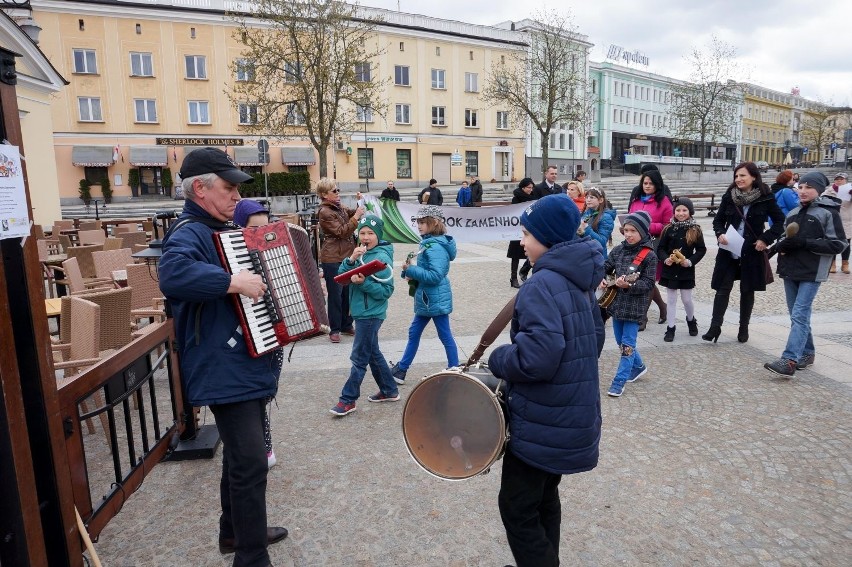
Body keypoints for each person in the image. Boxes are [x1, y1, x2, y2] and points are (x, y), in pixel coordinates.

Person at [158, 147, 287, 566]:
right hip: (223, 365)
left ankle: (236, 531)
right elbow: (173, 274)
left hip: (243, 361)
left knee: (239, 455)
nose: (236, 197)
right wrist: (233, 280)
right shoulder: (189, 232)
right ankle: (251, 556)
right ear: (200, 188)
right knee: (251, 461)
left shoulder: (221, 230)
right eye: (228, 187)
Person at [488, 194, 604, 567]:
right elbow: (594, 340)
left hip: (542, 422)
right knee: (544, 499)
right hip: (568, 417)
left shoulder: (542, 283)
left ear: (548, 236)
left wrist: (498, 358)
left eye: (527, 233)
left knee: (517, 508)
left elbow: (537, 358)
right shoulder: (580, 276)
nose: (522, 241)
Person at [764, 172, 847, 376]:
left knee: (800, 314)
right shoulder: (792, 212)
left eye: (808, 187)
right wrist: (775, 248)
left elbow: (838, 244)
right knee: (796, 315)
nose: (802, 191)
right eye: (800, 187)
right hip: (790, 269)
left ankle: (790, 359)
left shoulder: (829, 213)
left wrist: (805, 243)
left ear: (818, 189)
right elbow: (786, 237)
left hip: (812, 270)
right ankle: (807, 353)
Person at [703, 162, 784, 343]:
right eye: (736, 176)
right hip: (729, 250)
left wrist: (765, 239)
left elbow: (780, 221)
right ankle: (714, 327)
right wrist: (719, 233)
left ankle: (743, 328)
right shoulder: (729, 196)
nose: (738, 179)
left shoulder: (765, 197)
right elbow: (718, 220)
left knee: (747, 290)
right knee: (722, 289)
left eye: (743, 176)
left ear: (753, 177)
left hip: (751, 251)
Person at [330, 215, 399, 415]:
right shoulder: (361, 253)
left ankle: (348, 399)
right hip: (361, 311)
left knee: (359, 357)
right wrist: (351, 258)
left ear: (378, 235)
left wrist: (363, 283)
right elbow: (342, 276)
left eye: (370, 233)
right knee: (372, 352)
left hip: (371, 314)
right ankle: (389, 389)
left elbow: (386, 292)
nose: (366, 237)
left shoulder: (381, 258)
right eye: (362, 233)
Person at [233, 199, 280, 469]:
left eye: (265, 228)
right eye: (253, 229)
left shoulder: (273, 249)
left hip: (273, 331)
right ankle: (262, 446)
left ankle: (263, 443)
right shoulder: (231, 254)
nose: (259, 235)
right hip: (249, 331)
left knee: (268, 391)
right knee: (256, 396)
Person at [390, 205, 459, 383]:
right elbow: (425, 270)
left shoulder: (435, 247)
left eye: (423, 222)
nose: (419, 226)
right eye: (418, 222)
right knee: (416, 332)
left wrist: (412, 270)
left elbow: (435, 276)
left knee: (444, 334)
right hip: (428, 297)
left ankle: (455, 368)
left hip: (434, 297)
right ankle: (402, 369)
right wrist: (408, 271)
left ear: (434, 223)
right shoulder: (428, 242)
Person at [600, 211, 657, 397]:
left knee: (627, 345)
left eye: (633, 230)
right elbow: (605, 267)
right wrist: (601, 278)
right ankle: (638, 366)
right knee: (620, 341)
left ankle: (619, 381)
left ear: (642, 231)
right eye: (626, 230)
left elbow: (648, 284)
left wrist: (629, 285)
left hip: (635, 306)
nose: (628, 234)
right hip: (616, 304)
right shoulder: (618, 250)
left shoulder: (649, 256)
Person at [317, 178, 364, 343]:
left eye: (338, 190)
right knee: (335, 294)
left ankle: (346, 324)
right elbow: (341, 231)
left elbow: (351, 213)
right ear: (324, 195)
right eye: (334, 191)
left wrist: (360, 203)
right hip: (332, 257)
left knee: (347, 292)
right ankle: (334, 329)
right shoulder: (325, 211)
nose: (338, 193)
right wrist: (356, 217)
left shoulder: (337, 206)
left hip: (346, 256)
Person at [655, 197, 707, 342]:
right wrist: (666, 259)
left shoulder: (695, 229)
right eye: (678, 210)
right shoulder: (668, 228)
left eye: (684, 210)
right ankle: (671, 328)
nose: (681, 213)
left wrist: (690, 262)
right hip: (670, 269)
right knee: (671, 299)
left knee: (686, 299)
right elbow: (661, 248)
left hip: (686, 270)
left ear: (690, 211)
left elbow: (701, 250)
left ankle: (691, 320)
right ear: (674, 211)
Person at [627, 168, 673, 330]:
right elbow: (630, 217)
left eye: (651, 183)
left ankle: (642, 317)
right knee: (644, 280)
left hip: (653, 246)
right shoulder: (636, 200)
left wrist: (648, 227)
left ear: (657, 185)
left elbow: (669, 225)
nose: (647, 186)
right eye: (645, 183)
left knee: (648, 280)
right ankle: (662, 306)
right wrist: (627, 228)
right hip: (635, 246)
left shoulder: (664, 201)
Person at [507, 178, 536, 288]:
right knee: (515, 255)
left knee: (532, 252)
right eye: (529, 187)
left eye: (532, 187)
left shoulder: (534, 198)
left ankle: (528, 274)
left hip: (529, 229)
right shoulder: (516, 198)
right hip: (517, 230)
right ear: (523, 187)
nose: (530, 190)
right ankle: (513, 278)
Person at [577, 187, 616, 259]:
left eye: (592, 197)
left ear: (601, 200)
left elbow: (602, 242)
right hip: (585, 254)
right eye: (587, 197)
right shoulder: (587, 213)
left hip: (597, 256)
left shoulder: (606, 217)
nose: (588, 200)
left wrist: (586, 228)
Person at [825, 173, 850, 274]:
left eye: (841, 179)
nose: (839, 181)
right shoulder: (829, 191)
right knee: (833, 240)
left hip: (847, 219)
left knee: (847, 242)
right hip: (833, 218)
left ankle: (845, 264)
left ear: (845, 180)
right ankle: (832, 263)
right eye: (837, 179)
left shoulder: (850, 190)